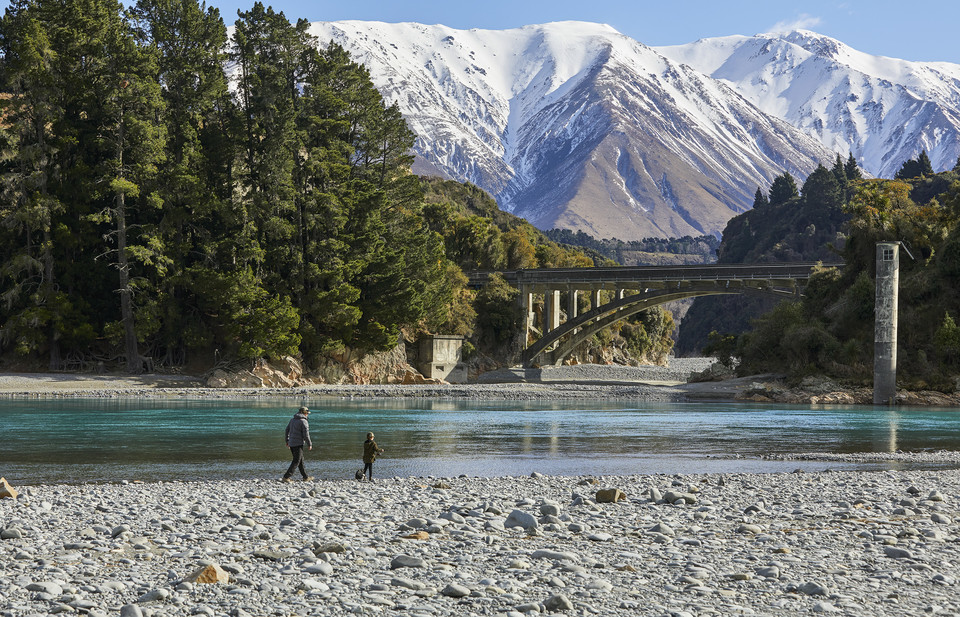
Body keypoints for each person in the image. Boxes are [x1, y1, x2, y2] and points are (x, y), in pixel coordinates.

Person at [282, 406, 313, 482]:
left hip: (291, 443)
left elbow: (287, 430)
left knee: (300, 460)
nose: (308, 415)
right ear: (304, 413)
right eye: (307, 413)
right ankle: (286, 477)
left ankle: (305, 477)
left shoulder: (292, 420)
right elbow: (306, 434)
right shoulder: (304, 421)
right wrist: (309, 444)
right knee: (296, 461)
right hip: (298, 443)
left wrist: (287, 441)